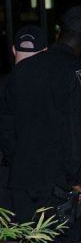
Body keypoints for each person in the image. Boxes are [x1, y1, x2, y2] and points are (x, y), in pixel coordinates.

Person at [0, 6, 81, 243]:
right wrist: (76, 178)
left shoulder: (22, 70)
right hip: (56, 184)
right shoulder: (78, 72)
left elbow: (7, 127)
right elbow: (76, 129)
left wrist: (19, 160)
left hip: (21, 181)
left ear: (58, 32)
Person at [0, 25, 48, 211]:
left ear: (14, 50)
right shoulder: (54, 88)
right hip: (44, 174)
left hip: (7, 173)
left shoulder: (3, 85)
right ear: (45, 52)